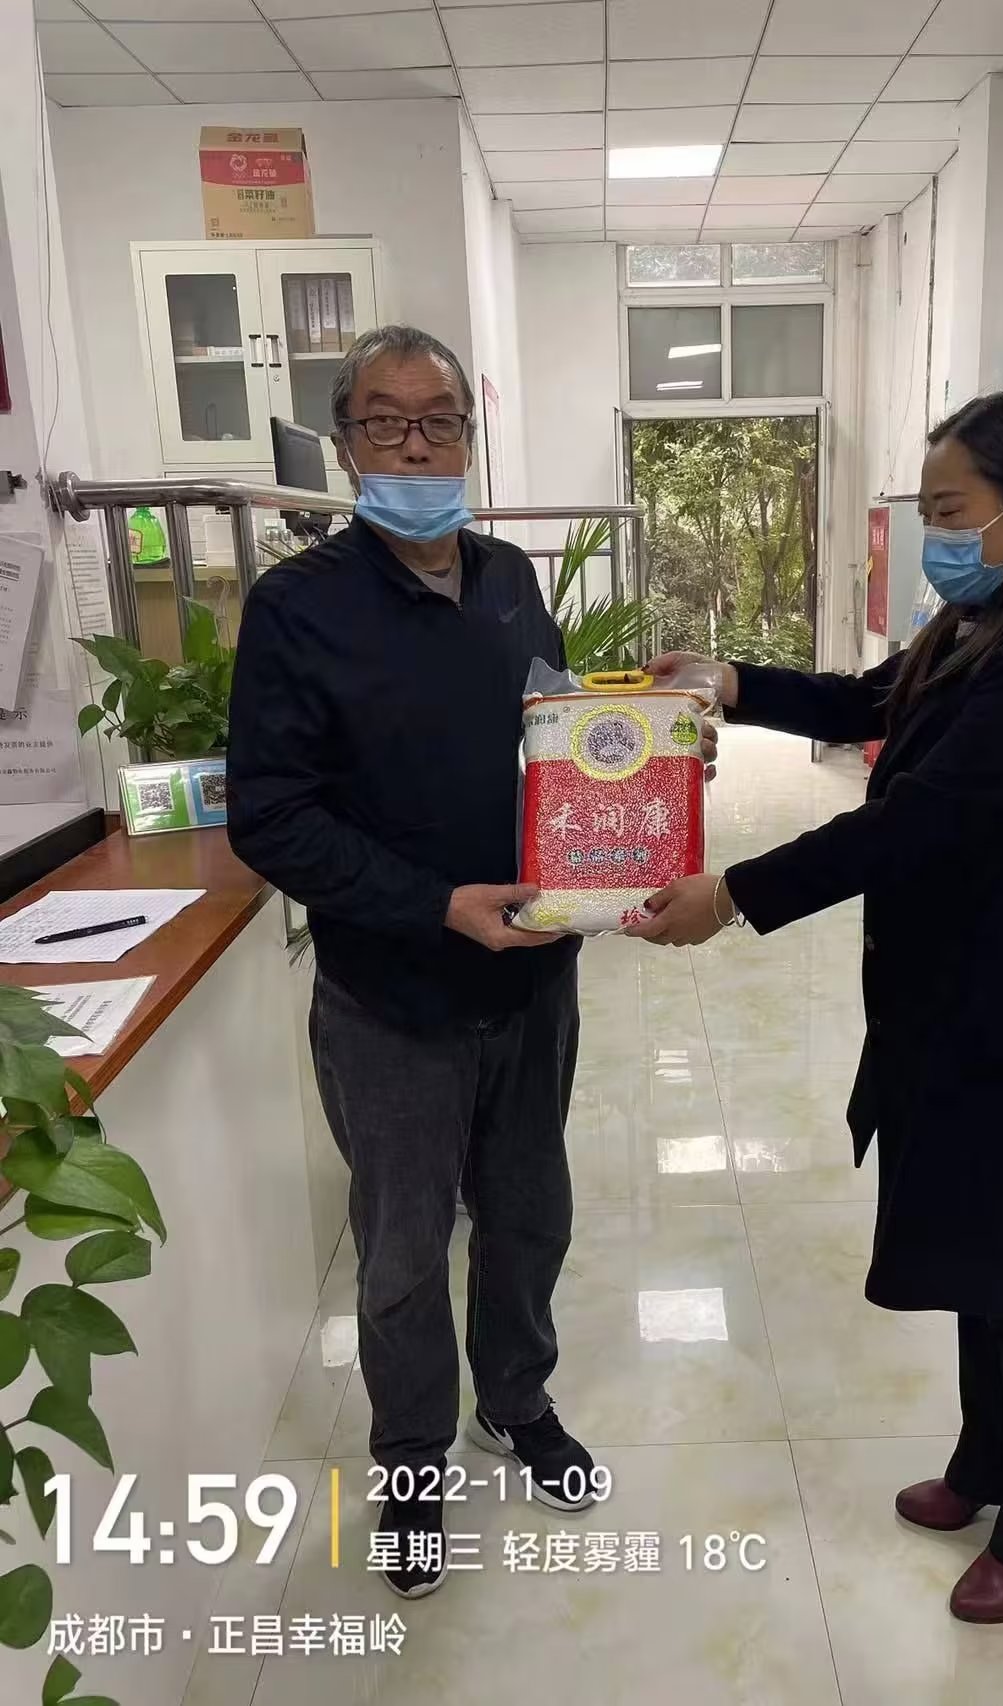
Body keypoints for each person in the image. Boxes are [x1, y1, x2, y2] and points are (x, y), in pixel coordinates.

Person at [628, 388, 1003, 1624]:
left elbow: (915, 821)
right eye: (929, 514)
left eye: (952, 512)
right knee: (974, 1250)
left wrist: (733, 892)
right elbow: (865, 701)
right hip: (951, 1013)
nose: (935, 536)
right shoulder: (975, 623)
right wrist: (728, 679)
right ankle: (982, 1463)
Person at [227, 325, 639, 1600]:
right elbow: (270, 816)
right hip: (391, 996)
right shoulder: (298, 607)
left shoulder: (510, 578)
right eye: (385, 421)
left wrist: (645, 778)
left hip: (531, 980)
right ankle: (410, 1461)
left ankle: (513, 1400)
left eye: (440, 420)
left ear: (469, 433)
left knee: (527, 1214)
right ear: (345, 441)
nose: (416, 445)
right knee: (402, 1250)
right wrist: (431, 905)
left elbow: (558, 741)